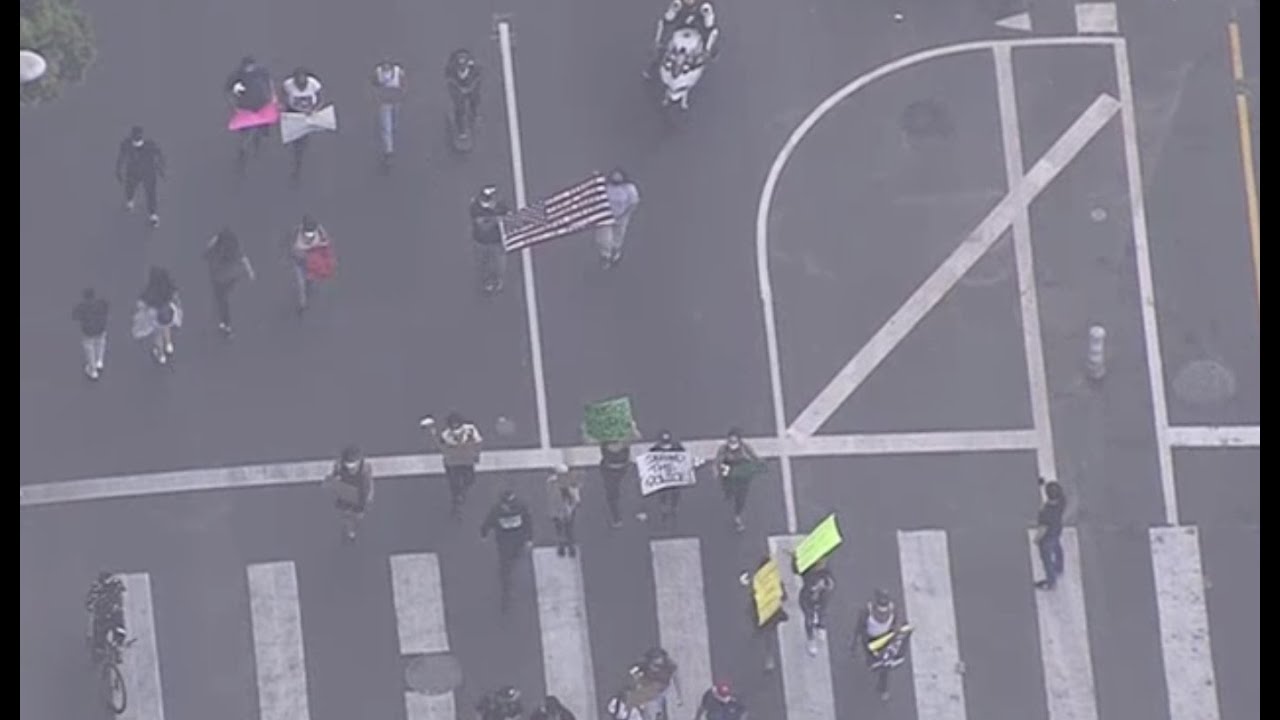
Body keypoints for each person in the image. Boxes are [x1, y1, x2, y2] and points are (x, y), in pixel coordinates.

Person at [480, 489, 533, 611]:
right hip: (517, 540)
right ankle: (507, 582)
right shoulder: (521, 506)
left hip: (505, 541)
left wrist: (484, 533)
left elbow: (489, 521)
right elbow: (528, 522)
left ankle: (506, 582)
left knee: (506, 564)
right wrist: (529, 538)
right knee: (510, 560)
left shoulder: (497, 509)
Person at [423, 412, 484, 517]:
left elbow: (478, 442)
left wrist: (476, 454)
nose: (455, 426)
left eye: (456, 423)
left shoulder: (470, 429)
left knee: (469, 480)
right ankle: (456, 504)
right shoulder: (446, 434)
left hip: (465, 461)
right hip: (453, 463)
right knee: (455, 485)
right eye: (453, 424)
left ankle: (460, 495)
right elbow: (440, 446)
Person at [853, 588, 909, 701]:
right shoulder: (867, 610)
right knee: (873, 661)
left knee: (885, 666)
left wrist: (894, 639)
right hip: (870, 640)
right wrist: (855, 642)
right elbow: (860, 627)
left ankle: (883, 688)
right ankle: (873, 665)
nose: (882, 611)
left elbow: (898, 624)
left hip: (884, 640)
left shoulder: (893, 610)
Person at [646, 0, 719, 80]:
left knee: (703, 55)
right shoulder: (678, 4)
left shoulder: (705, 7)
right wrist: (658, 40)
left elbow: (711, 28)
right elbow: (665, 20)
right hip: (679, 32)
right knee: (664, 49)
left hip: (697, 34)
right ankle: (655, 66)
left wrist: (708, 49)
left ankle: (701, 70)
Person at [204, 227, 255, 337]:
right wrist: (250, 272)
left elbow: (207, 252)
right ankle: (224, 323)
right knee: (223, 299)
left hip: (221, 277)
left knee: (222, 299)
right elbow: (244, 259)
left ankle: (225, 323)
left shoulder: (220, 246)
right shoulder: (232, 247)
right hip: (227, 277)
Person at [225, 56, 275, 160]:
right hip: (245, 107)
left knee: (261, 129)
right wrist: (233, 105)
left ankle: (257, 148)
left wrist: (272, 96)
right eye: (247, 66)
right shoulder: (237, 76)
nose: (249, 68)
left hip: (262, 104)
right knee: (246, 132)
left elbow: (269, 82)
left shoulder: (261, 72)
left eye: (251, 66)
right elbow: (228, 91)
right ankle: (242, 152)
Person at [115, 125, 166, 226]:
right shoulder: (126, 145)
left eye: (138, 137)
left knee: (151, 194)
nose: (137, 141)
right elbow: (121, 158)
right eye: (135, 138)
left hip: (148, 172)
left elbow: (159, 156)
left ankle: (153, 215)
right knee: (130, 187)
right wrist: (118, 171)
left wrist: (162, 170)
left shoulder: (150, 145)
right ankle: (130, 200)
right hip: (133, 172)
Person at [281, 67, 325, 180]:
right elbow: (283, 98)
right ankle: (297, 156)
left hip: (309, 113)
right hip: (294, 113)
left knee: (303, 137)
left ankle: (300, 153)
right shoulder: (288, 85)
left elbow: (321, 98)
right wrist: (286, 107)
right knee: (296, 140)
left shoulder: (314, 84)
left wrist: (315, 109)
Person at [288, 215, 335, 315]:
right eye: (307, 232)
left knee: (310, 280)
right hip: (300, 264)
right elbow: (292, 250)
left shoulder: (321, 233)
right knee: (301, 284)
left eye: (312, 232)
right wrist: (303, 256)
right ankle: (302, 304)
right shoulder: (296, 234)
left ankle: (309, 286)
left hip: (313, 264)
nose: (309, 235)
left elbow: (326, 246)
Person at [714, 428, 760, 532]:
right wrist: (717, 471)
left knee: (741, 496)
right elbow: (718, 460)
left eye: (735, 441)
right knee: (727, 486)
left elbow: (754, 457)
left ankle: (738, 515)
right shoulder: (723, 449)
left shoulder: (745, 448)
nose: (732, 443)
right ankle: (728, 492)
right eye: (730, 441)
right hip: (728, 471)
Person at [135, 267, 181, 365]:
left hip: (157, 316)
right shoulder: (168, 286)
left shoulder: (151, 291)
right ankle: (169, 344)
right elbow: (175, 294)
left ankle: (161, 355)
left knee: (157, 334)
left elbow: (143, 302)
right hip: (168, 313)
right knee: (167, 327)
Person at [595, 169, 640, 269]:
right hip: (606, 215)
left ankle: (615, 251)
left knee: (618, 236)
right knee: (604, 238)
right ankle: (605, 256)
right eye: (615, 175)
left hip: (622, 216)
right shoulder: (606, 187)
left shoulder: (629, 188)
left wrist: (624, 215)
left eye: (618, 176)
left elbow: (633, 203)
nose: (616, 178)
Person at [470, 185, 510, 294]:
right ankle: (487, 282)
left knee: (499, 264)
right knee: (484, 264)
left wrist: (504, 218)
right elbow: (482, 226)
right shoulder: (476, 207)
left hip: (497, 242)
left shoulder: (500, 206)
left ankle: (498, 280)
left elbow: (508, 217)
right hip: (481, 242)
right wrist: (496, 220)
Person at [627, 647, 683, 719]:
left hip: (663, 688)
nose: (656, 668)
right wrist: (638, 679)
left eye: (659, 666)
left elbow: (676, 678)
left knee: (659, 707)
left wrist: (679, 696)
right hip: (649, 688)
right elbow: (632, 671)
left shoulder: (669, 665)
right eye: (654, 665)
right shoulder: (644, 663)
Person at [794, 557, 835, 655]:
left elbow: (831, 583)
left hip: (822, 598)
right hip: (807, 599)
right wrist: (795, 560)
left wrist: (827, 586)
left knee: (823, 613)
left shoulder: (825, 572)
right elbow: (796, 570)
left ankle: (821, 626)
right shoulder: (807, 572)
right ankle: (811, 639)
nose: (822, 563)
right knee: (809, 619)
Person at [371, 58, 405, 169]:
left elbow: (403, 84)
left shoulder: (398, 72)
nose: (385, 66)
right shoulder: (378, 72)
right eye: (384, 64)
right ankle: (388, 150)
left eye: (387, 64)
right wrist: (377, 96)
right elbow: (374, 85)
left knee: (394, 123)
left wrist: (401, 95)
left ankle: (391, 141)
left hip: (396, 101)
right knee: (386, 127)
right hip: (384, 102)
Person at [1033, 478, 1067, 590]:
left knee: (1047, 560)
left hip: (1047, 538)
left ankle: (1051, 583)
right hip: (1057, 530)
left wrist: (1036, 539)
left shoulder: (1045, 513)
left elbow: (1043, 529)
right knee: (1057, 547)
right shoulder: (1062, 501)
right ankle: (1059, 567)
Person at [647, 430, 685, 524]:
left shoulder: (678, 448)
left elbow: (684, 459)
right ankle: (664, 510)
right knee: (663, 494)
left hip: (674, 477)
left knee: (675, 494)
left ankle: (673, 509)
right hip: (662, 478)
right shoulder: (654, 450)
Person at [85, 572, 126, 656]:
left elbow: (122, 589)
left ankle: (117, 645)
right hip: (103, 615)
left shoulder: (115, 584)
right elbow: (89, 602)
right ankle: (101, 650)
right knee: (100, 634)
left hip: (112, 613)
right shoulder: (97, 588)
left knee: (118, 629)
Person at [72, 288, 109, 380]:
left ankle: (93, 371)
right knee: (100, 343)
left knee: (89, 349)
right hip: (101, 328)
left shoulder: (82, 306)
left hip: (88, 331)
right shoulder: (101, 303)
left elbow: (75, 316)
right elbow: (107, 309)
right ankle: (99, 361)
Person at [445, 49, 482, 138]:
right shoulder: (451, 71)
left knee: (474, 102)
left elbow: (478, 79)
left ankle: (474, 116)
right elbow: (450, 81)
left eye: (463, 65)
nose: (462, 67)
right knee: (459, 109)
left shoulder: (474, 70)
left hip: (472, 89)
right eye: (460, 66)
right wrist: (459, 89)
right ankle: (461, 130)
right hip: (458, 91)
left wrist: (470, 88)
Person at [547, 464, 582, 557]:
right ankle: (567, 547)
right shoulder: (562, 483)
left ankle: (566, 547)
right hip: (562, 511)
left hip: (564, 511)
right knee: (566, 530)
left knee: (564, 530)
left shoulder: (554, 483)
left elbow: (575, 499)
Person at [599, 439, 632, 528]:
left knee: (612, 495)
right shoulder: (624, 444)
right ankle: (617, 518)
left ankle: (617, 518)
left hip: (611, 470)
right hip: (618, 469)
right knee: (614, 495)